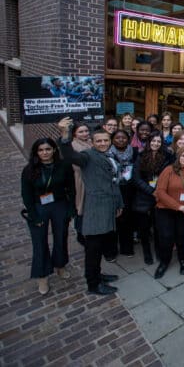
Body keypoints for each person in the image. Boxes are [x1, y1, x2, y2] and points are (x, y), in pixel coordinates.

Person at [57, 117, 123, 296]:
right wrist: (64, 134)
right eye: (98, 141)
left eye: (105, 140)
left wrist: (119, 204)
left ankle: (98, 274)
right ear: (92, 142)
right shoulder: (87, 156)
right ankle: (93, 284)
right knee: (92, 249)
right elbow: (70, 155)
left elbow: (114, 182)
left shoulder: (108, 155)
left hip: (109, 206)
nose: (102, 143)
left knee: (100, 247)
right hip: (95, 209)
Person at [21, 138, 76, 295]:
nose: (45, 153)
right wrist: (33, 215)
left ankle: (60, 266)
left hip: (59, 204)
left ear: (54, 150)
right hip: (39, 207)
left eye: (48, 149)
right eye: (41, 150)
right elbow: (26, 194)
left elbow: (71, 187)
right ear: (36, 152)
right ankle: (42, 276)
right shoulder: (29, 169)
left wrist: (71, 208)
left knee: (61, 237)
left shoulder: (64, 166)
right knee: (39, 242)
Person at [153, 146, 184, 278]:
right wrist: (178, 206)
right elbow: (160, 192)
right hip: (166, 209)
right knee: (166, 237)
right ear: (178, 156)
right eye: (183, 156)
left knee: (182, 237)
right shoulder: (169, 170)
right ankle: (164, 263)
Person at [132, 132, 173, 265]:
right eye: (153, 141)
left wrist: (159, 192)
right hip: (144, 196)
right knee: (144, 228)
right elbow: (136, 178)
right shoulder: (141, 156)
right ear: (149, 142)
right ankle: (147, 252)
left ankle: (158, 251)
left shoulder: (166, 157)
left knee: (158, 227)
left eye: (158, 142)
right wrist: (151, 191)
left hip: (160, 197)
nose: (156, 144)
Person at [107, 129, 138, 259]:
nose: (121, 140)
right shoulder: (107, 154)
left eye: (124, 138)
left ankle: (127, 248)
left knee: (127, 220)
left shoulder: (134, 152)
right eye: (117, 138)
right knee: (113, 221)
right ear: (112, 140)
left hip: (129, 190)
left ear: (128, 139)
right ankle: (111, 251)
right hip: (113, 190)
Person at [71, 123, 92, 246]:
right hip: (81, 180)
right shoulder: (74, 146)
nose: (85, 134)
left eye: (86, 131)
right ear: (75, 134)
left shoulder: (90, 142)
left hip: (91, 178)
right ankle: (80, 233)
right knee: (81, 207)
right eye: (81, 132)